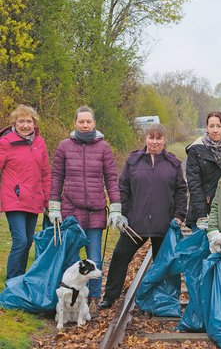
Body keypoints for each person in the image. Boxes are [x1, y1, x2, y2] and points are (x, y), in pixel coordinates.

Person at [100, 124, 187, 309]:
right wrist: (125, 213)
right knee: (119, 256)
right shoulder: (133, 161)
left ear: (164, 140)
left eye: (158, 138)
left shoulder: (173, 163)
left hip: (164, 223)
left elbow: (181, 191)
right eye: (151, 137)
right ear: (145, 138)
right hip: (135, 223)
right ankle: (109, 296)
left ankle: (166, 299)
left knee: (166, 263)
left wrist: (179, 215)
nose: (154, 142)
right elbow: (122, 188)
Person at [48, 106, 120, 316]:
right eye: (81, 121)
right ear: (75, 123)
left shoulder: (104, 148)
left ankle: (93, 299)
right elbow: (57, 178)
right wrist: (54, 206)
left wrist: (115, 208)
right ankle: (70, 301)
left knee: (94, 258)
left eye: (88, 121)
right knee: (71, 259)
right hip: (71, 209)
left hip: (96, 210)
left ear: (94, 123)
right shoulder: (64, 147)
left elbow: (111, 179)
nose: (85, 125)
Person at [0, 105, 51, 281]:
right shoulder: (5, 142)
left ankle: (19, 280)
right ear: (14, 123)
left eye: (29, 121)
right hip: (14, 198)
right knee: (20, 241)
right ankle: (11, 281)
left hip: (34, 198)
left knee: (28, 242)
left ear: (34, 123)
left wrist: (47, 201)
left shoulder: (39, 142)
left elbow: (45, 173)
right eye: (21, 121)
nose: (25, 125)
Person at [185, 112, 221, 231]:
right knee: (201, 248)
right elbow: (194, 184)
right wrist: (202, 215)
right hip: (201, 209)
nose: (215, 130)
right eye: (211, 126)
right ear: (207, 128)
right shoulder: (196, 149)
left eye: (219, 126)